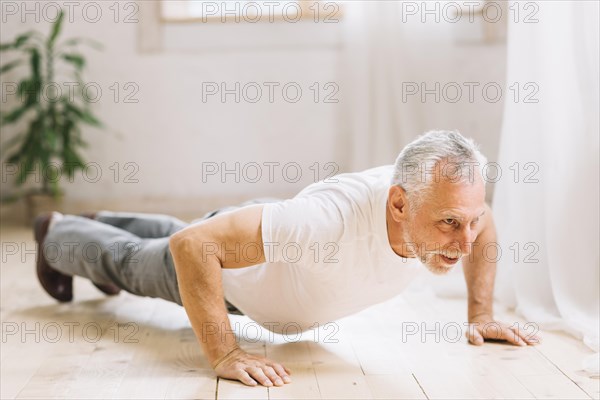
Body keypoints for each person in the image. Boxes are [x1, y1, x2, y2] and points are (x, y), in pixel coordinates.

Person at [34, 130, 541, 388]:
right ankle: (59, 234)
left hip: (249, 237)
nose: (467, 239)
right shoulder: (326, 221)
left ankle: (99, 219)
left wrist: (480, 314)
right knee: (136, 263)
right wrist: (225, 354)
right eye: (451, 224)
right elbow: (194, 248)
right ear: (400, 204)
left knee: (184, 230)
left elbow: (484, 218)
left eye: (468, 221)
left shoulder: (447, 201)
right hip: (226, 275)